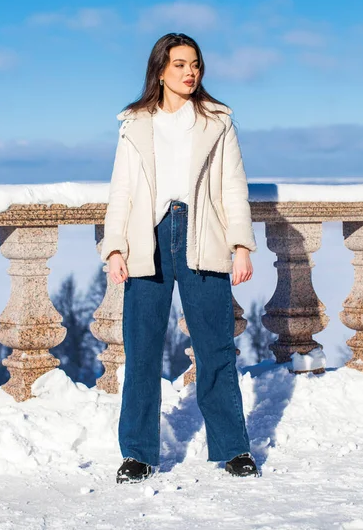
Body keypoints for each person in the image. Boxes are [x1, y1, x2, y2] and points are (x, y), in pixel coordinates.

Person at [101, 32, 258, 484]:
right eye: (180, 65)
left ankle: (234, 449)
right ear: (161, 70)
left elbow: (233, 186)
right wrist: (115, 248)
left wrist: (241, 244)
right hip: (147, 240)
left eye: (195, 65)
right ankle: (137, 454)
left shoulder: (216, 121)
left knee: (215, 349)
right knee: (142, 350)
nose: (190, 73)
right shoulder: (135, 123)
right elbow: (122, 191)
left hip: (201, 236)